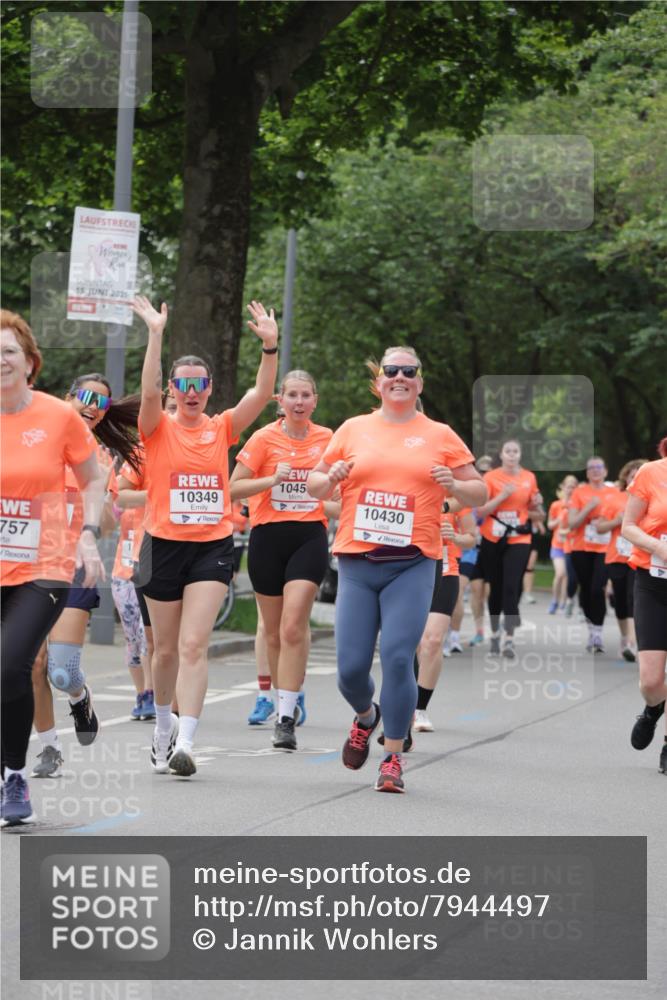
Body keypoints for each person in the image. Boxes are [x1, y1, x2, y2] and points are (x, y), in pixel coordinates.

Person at [307, 346, 486, 793]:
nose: (400, 376)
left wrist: (456, 484)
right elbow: (314, 483)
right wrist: (331, 477)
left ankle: (392, 756)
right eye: (392, 371)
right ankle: (367, 717)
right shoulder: (353, 428)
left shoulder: (440, 434)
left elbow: (480, 490)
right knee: (350, 669)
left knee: (399, 657)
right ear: (380, 381)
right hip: (357, 562)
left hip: (412, 562)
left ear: (419, 383)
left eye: (410, 371)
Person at [132, 295, 279, 778]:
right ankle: (161, 731)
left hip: (211, 547)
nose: (192, 392)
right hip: (162, 546)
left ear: (210, 389)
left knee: (195, 644)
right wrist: (156, 333)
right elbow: (147, 392)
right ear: (174, 389)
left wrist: (270, 348)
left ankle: (188, 742)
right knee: (166, 649)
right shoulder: (156, 427)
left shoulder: (222, 428)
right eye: (184, 385)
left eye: (199, 385)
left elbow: (259, 396)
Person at [1, 311, 104, 825]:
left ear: (29, 362)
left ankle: (14, 776)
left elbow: (92, 479)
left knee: (12, 664)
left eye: (9, 352)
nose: (1, 361)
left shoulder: (56, 416)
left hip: (43, 564)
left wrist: (88, 533)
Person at [29, 374, 141, 778]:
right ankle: (49, 749)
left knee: (60, 670)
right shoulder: (35, 442)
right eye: (87, 397)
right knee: (33, 663)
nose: (93, 405)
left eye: (103, 403)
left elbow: (108, 523)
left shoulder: (99, 459)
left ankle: (78, 696)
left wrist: (105, 511)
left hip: (75, 565)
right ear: (68, 399)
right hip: (29, 561)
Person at [230, 370, 334, 751]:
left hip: (308, 535)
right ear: (280, 401)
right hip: (267, 538)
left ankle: (286, 718)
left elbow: (342, 485)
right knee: (272, 632)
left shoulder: (328, 439)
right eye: (292, 395)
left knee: (293, 626)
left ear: (315, 401)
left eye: (306, 395)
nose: (299, 402)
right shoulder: (263, 439)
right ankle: (284, 698)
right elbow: (233, 488)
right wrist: (272, 480)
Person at [621, 438, 667, 774]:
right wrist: (659, 547)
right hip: (652, 580)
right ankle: (653, 710)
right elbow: (628, 527)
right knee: (651, 680)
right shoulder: (651, 473)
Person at [413, 501, 476, 733]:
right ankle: (404, 704)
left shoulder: (457, 500)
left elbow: (472, 537)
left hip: (445, 572)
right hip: (411, 572)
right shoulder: (410, 489)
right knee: (412, 642)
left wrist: (457, 538)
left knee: (432, 641)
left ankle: (420, 708)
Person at [477, 441, 543, 659]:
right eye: (508, 451)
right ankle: (495, 633)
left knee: (511, 586)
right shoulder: (490, 478)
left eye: (516, 451)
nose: (512, 455)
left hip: (519, 537)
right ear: (502, 455)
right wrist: (502, 496)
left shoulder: (528, 477)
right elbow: (481, 511)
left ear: (520, 454)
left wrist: (537, 504)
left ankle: (509, 638)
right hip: (493, 537)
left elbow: (537, 512)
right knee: (495, 588)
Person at [595, 460, 646, 662]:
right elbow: (600, 527)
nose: (634, 479)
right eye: (631, 476)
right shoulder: (614, 499)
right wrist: (618, 520)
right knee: (620, 602)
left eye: (638, 475)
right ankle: (626, 637)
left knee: (633, 598)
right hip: (617, 556)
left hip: (640, 556)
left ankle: (633, 644)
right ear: (625, 478)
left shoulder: (651, 497)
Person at [568, 457, 617, 652]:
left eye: (599, 467)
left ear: (605, 471)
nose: (595, 471)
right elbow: (572, 524)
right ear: (587, 473)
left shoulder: (615, 493)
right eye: (591, 468)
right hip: (581, 548)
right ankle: (591, 628)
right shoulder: (579, 493)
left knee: (598, 589)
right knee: (587, 590)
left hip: (605, 549)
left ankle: (597, 633)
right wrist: (588, 507)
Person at [547, 476, 578, 614]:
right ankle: (555, 599)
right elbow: (549, 525)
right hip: (558, 545)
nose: (570, 489)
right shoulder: (556, 505)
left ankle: (564, 602)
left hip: (572, 545)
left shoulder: (578, 506)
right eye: (568, 486)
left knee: (568, 575)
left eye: (573, 486)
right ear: (563, 487)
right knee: (560, 573)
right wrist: (559, 520)